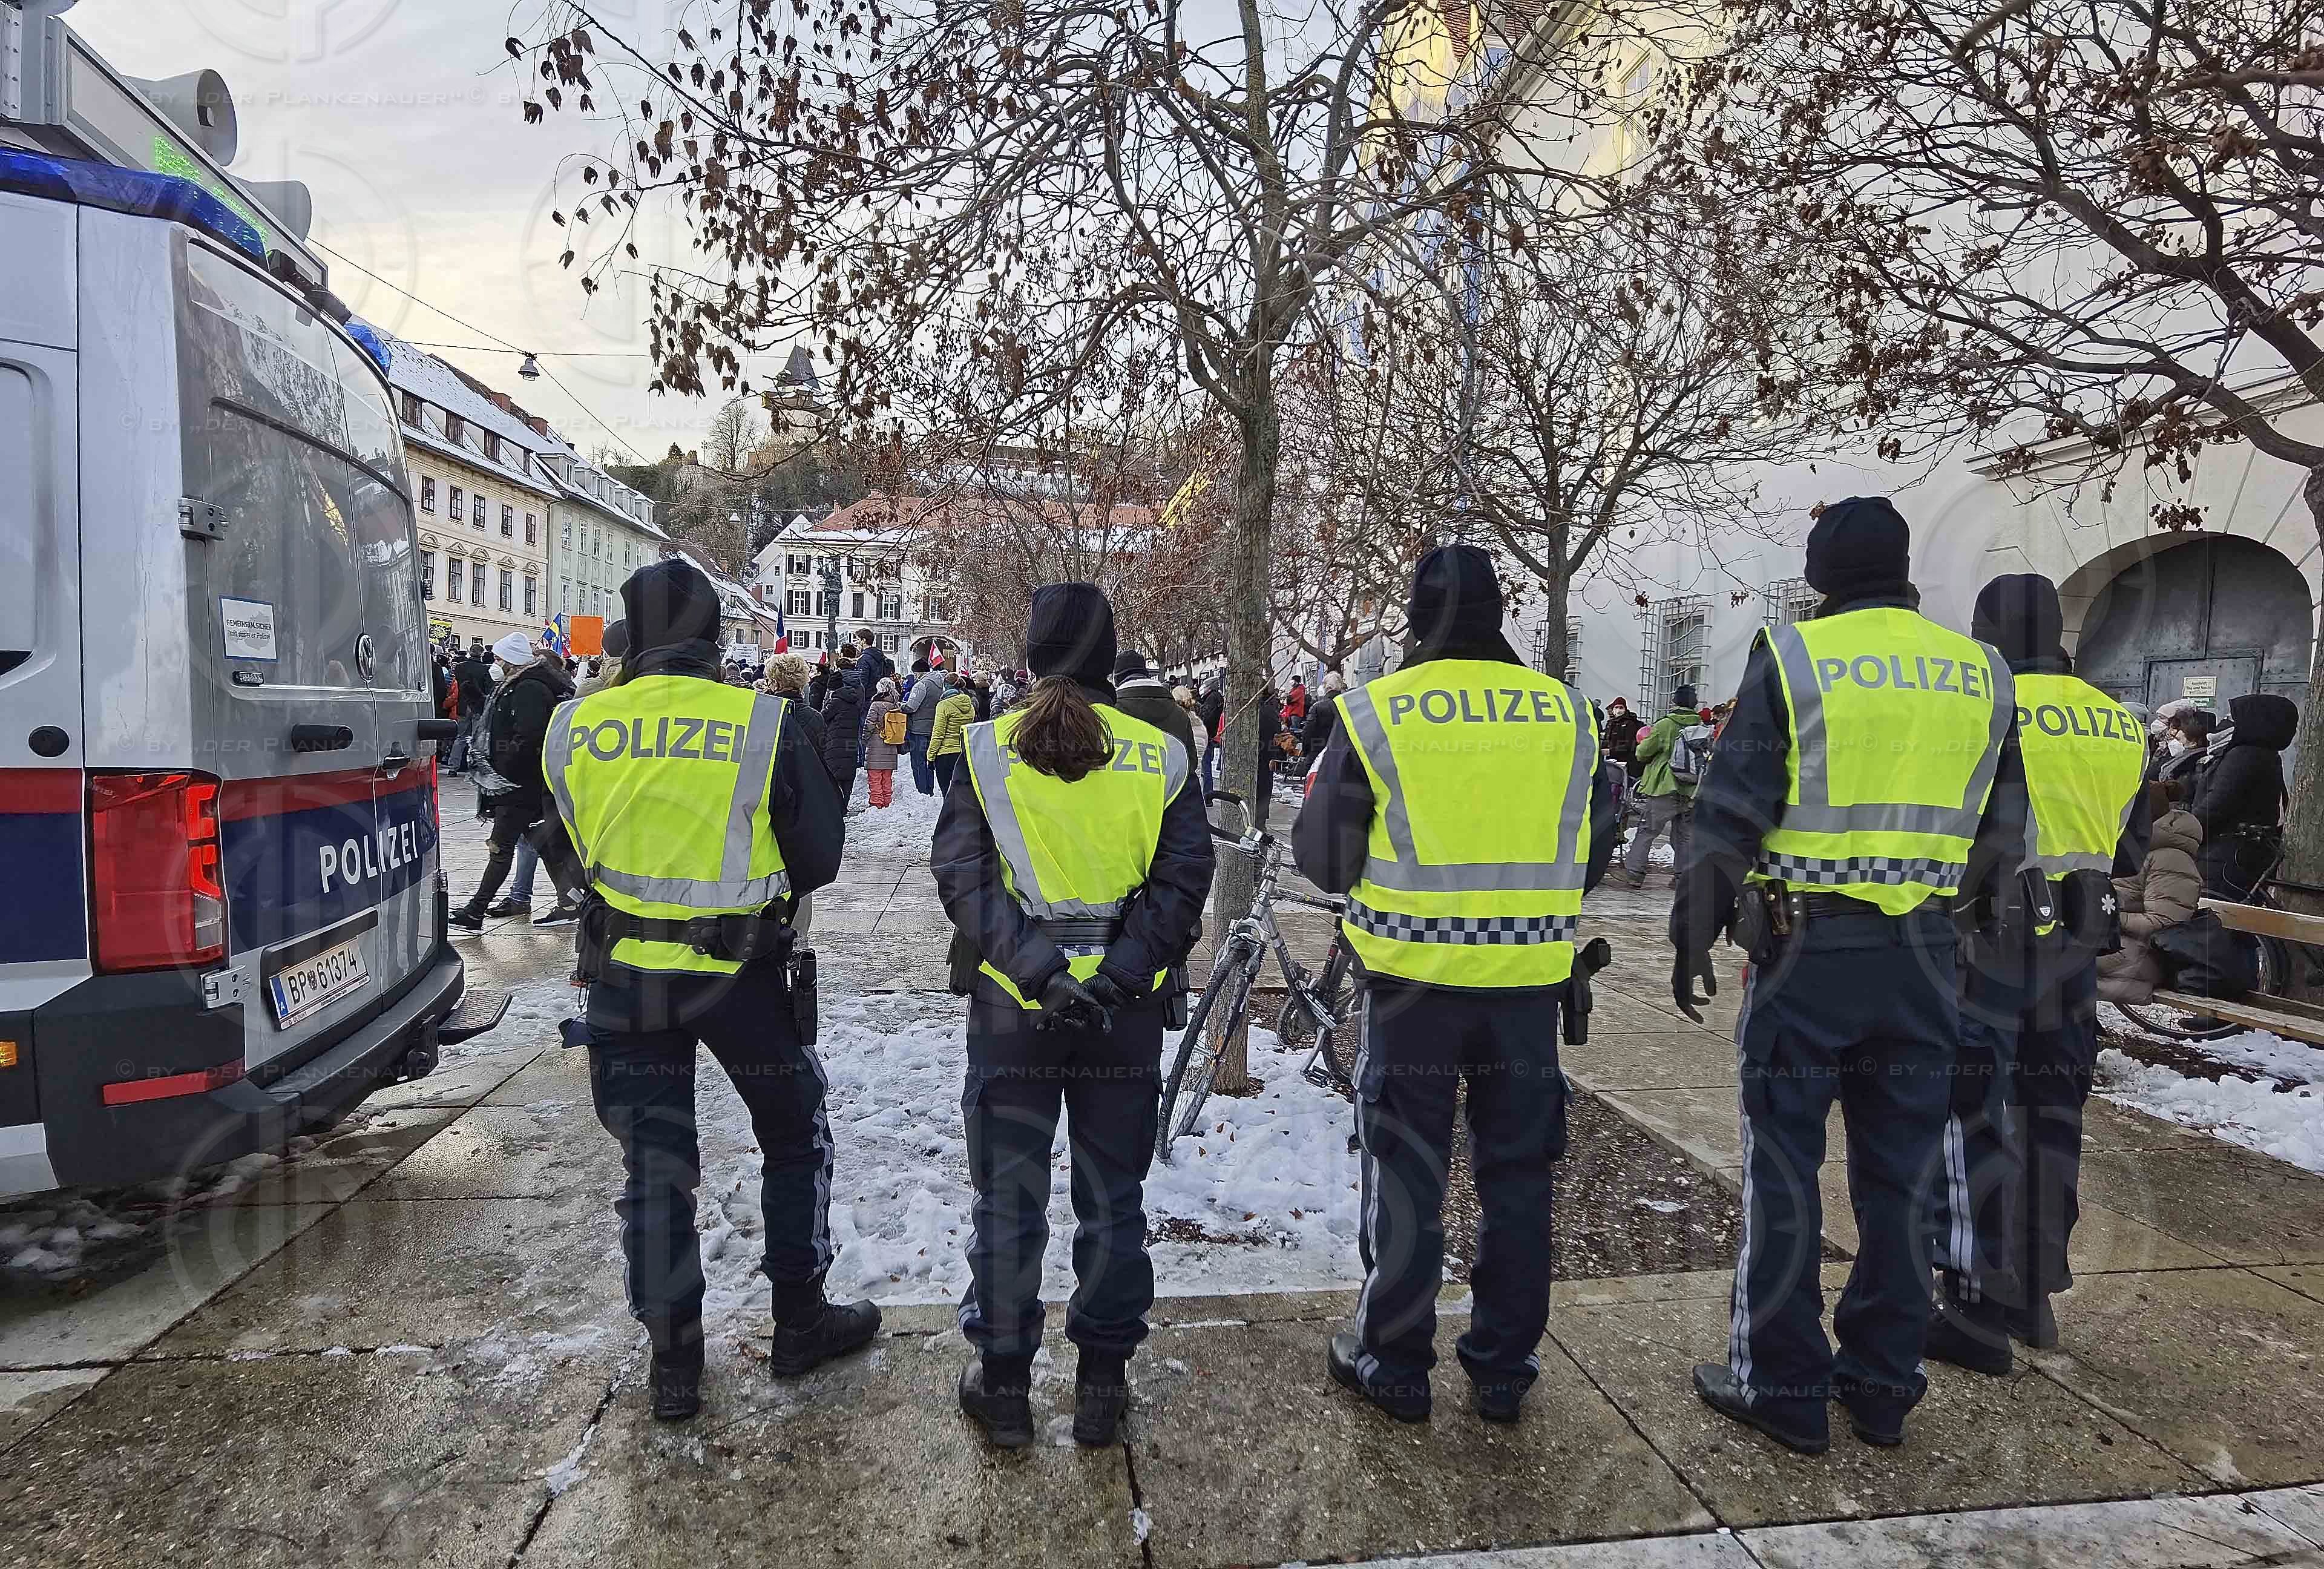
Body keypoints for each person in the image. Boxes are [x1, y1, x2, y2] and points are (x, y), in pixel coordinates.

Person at [1669, 496, 2025, 1455]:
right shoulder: (1983, 673)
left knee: (1783, 1170)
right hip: (1927, 960)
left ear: (1823, 574)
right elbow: (2002, 838)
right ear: (1903, 569)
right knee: (1900, 1179)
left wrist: (1692, 928)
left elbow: (1733, 807)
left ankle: (1781, 1384)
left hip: (1807, 957)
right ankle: (1880, 1385)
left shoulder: (1793, 656)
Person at [543, 559, 873, 1423]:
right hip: (744, 977)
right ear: (712, 634)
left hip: (626, 980)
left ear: (633, 635)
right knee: (795, 1136)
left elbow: (576, 841)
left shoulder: (574, 727)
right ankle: (799, 1319)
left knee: (653, 1171)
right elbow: (820, 858)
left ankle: (674, 1364)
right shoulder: (764, 723)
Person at [1292, 545, 1615, 1425]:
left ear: (1413, 614)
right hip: (1527, 990)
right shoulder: (1571, 715)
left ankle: (1395, 1365)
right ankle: (1504, 1369)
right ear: (1501, 612)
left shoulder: (1378, 713)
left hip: (1411, 993)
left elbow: (1323, 858)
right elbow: (1592, 849)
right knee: (1519, 1181)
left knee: (1407, 1180)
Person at [933, 582, 1213, 1450]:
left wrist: (1039, 972)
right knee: (1112, 1198)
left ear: (1029, 651)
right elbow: (1183, 883)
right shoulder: (1161, 753)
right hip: (1120, 1016)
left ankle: (1006, 1382)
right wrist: (1123, 974)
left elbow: (965, 879)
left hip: (1017, 1010)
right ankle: (1101, 1384)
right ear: (1107, 652)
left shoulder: (987, 750)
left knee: (1009, 1200)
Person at [1926, 575, 2148, 1375]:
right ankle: (2037, 1295)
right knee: (2055, 1116)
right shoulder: (2117, 720)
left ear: (1988, 626)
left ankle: (1974, 1299)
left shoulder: (1983, 709)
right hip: (2074, 954)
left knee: (1975, 1117)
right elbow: (2129, 846)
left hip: (1984, 946)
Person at [450, 635, 582, 929]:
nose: (495, 664)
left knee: (501, 847)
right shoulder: (517, 686)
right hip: (521, 783)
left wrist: (503, 768)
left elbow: (530, 734)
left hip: (518, 785)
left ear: (510, 660)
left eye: (498, 659)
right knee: (543, 844)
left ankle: (476, 910)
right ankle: (571, 900)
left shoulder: (529, 688)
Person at [2098, 784, 2204, 1005]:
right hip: (2115, 943)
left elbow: (2165, 922)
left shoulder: (2170, 858)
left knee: (2050, 962)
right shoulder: (2132, 850)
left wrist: (2108, 917)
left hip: (2142, 955)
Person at [2191, 692, 2297, 900]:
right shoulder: (2265, 755)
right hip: (2243, 856)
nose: (2226, 722)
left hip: (2222, 859)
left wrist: (2177, 828)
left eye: (2233, 717)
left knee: (2214, 921)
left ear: (2255, 721)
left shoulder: (2244, 756)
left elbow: (2216, 807)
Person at [1610, 685, 1702, 889]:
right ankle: (1682, 879)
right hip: (1691, 789)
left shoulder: (1665, 725)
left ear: (1675, 702)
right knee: (1684, 836)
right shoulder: (1700, 725)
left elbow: (1642, 753)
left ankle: (1635, 874)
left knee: (1647, 830)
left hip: (1664, 787)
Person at [1111, 650, 1198, 760]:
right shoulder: (1180, 715)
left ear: (1117, 679)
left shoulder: (1111, 711)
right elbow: (1190, 763)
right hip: (1172, 777)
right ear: (1145, 673)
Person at [821, 648, 865, 809]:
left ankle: (836, 807)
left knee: (835, 775)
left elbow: (823, 718)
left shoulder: (836, 702)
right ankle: (844, 805)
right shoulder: (855, 700)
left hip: (835, 743)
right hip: (851, 742)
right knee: (848, 775)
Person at [447, 643, 494, 774]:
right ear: (482, 654)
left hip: (463, 705)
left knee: (460, 737)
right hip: (478, 705)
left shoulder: (460, 667)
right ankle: (476, 766)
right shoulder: (484, 670)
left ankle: (453, 768)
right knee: (477, 738)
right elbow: (488, 689)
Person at [927, 673, 976, 796]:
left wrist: (930, 756)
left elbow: (938, 734)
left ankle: (950, 815)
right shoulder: (969, 705)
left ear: (945, 685)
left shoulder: (943, 705)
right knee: (962, 794)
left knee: (947, 794)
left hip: (945, 756)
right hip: (963, 754)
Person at [904, 656, 946, 795]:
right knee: (929, 761)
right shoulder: (940, 683)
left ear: (919, 672)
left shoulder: (921, 685)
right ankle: (929, 790)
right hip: (933, 728)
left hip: (919, 729)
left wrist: (902, 706)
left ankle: (921, 791)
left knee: (918, 762)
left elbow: (912, 707)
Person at [864, 677, 901, 809]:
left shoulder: (876, 705)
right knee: (887, 777)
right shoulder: (896, 706)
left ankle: (876, 803)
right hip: (891, 744)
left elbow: (869, 724)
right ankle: (887, 802)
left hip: (876, 744)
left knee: (874, 777)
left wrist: (864, 739)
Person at [1196, 678, 1226, 797]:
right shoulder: (1215, 698)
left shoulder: (1212, 699)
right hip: (1211, 735)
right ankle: (1207, 793)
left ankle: (1207, 795)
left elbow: (1206, 716)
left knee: (1206, 767)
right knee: (1206, 766)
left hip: (1208, 735)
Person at [1602, 697, 1645, 778]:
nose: (1618, 710)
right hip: (1612, 762)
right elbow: (1607, 740)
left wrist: (1610, 751)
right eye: (1616, 707)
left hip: (1625, 763)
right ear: (1613, 709)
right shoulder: (1610, 723)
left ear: (1625, 709)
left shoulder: (1629, 724)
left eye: (1621, 707)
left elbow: (1629, 745)